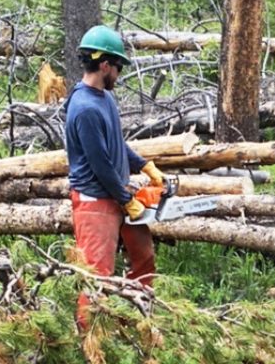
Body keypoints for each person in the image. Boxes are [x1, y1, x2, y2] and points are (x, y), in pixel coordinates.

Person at [63, 25, 165, 329]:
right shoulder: (84, 109)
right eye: (117, 67)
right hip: (96, 201)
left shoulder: (105, 99)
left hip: (117, 193)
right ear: (104, 65)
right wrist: (126, 200)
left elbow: (116, 146)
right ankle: (92, 338)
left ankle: (137, 319)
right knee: (97, 274)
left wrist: (145, 166)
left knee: (144, 257)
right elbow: (100, 165)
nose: (119, 74)